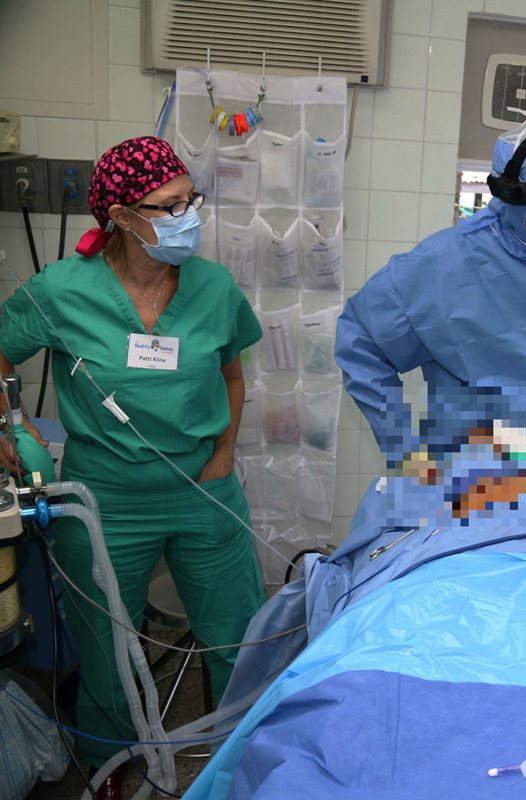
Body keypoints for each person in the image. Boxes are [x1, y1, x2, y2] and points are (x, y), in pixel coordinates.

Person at [0, 137, 265, 800]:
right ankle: (110, 763)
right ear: (120, 216)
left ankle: (246, 756)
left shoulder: (212, 287)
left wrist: (224, 453)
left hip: (203, 487)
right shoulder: (62, 291)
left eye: (191, 200)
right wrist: (10, 423)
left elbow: (232, 375)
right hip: (105, 500)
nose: (188, 216)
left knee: (238, 634)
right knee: (107, 646)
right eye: (169, 206)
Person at [337, 114, 526, 475]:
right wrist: (406, 452)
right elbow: (360, 341)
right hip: (470, 479)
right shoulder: (448, 264)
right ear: (516, 204)